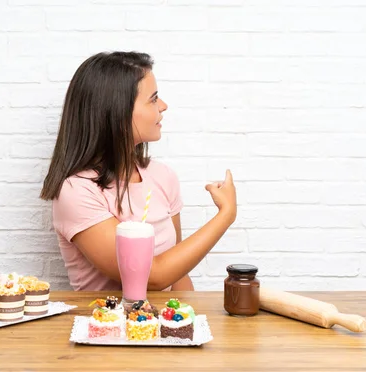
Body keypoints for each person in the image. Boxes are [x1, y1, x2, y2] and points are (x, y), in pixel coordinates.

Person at [40, 51, 236, 292]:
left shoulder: (163, 176)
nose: (163, 106)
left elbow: (176, 273)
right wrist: (225, 215)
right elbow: (152, 275)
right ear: (118, 111)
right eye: (153, 99)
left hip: (163, 327)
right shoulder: (76, 191)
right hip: (107, 326)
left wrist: (188, 322)